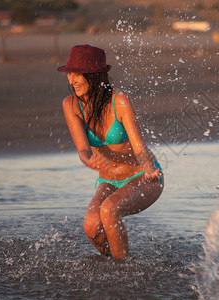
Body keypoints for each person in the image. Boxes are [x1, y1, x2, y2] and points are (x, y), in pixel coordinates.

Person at [58, 45, 164, 260]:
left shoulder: (120, 100)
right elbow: (83, 149)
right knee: (91, 225)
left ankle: (122, 271)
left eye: (77, 74)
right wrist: (90, 161)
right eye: (70, 74)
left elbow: (139, 146)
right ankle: (116, 263)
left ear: (95, 75)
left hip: (143, 177)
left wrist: (149, 169)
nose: (71, 80)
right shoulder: (71, 105)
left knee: (109, 210)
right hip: (109, 180)